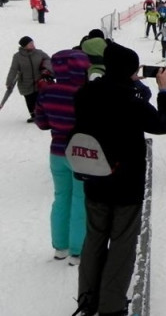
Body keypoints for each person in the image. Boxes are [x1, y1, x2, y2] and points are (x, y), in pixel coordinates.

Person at [73, 43, 166, 316]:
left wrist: (129, 84)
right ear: (129, 70)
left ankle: (87, 299)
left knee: (94, 239)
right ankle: (111, 306)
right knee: (122, 244)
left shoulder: (86, 93)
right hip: (126, 184)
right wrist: (163, 90)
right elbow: (165, 125)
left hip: (94, 178)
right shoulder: (131, 101)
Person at [34, 49, 90, 265]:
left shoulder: (47, 92)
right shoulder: (83, 93)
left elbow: (41, 123)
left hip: (56, 152)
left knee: (60, 198)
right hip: (80, 153)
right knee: (80, 199)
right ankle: (77, 249)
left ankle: (60, 247)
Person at [4, 36, 52, 122]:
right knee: (30, 100)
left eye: (33, 43)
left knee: (40, 98)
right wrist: (9, 81)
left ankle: (44, 114)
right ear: (24, 46)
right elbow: (13, 69)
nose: (33, 45)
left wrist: (45, 69)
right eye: (30, 44)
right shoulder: (17, 56)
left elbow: (48, 60)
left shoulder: (39, 53)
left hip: (39, 81)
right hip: (25, 83)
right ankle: (34, 115)